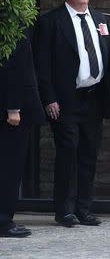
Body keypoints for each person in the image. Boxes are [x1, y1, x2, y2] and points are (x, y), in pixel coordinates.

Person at [33, 0, 110, 227]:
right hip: (66, 99)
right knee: (67, 152)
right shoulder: (51, 22)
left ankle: (84, 208)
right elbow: (42, 65)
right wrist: (49, 98)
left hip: (94, 97)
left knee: (89, 154)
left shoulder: (100, 20)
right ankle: (63, 210)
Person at [0, 30, 46, 238]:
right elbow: (14, 66)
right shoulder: (12, 21)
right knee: (10, 167)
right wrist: (14, 107)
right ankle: (3, 220)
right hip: (12, 109)